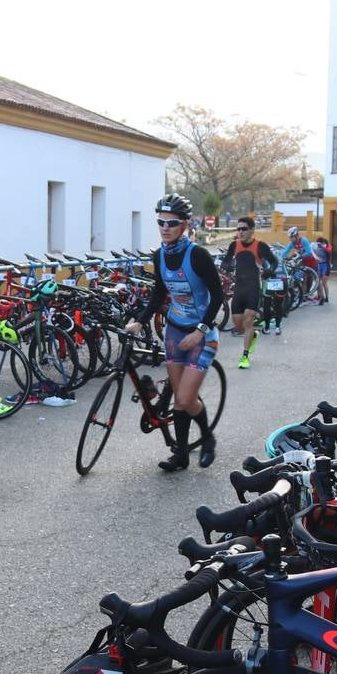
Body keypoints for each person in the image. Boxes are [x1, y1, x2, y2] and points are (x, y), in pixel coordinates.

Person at [125, 194, 225, 471]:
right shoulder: (159, 256)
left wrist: (202, 329)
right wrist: (141, 320)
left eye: (172, 222)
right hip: (174, 332)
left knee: (183, 398)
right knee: (182, 398)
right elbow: (159, 292)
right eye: (161, 221)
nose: (165, 227)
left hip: (201, 336)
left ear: (184, 225)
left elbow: (218, 296)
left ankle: (208, 439)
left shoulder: (199, 255)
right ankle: (181, 454)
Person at [220, 216, 278, 369]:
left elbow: (274, 261)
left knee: (248, 320)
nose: (240, 232)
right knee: (238, 325)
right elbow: (226, 260)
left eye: (244, 229)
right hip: (238, 288)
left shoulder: (260, 246)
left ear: (252, 230)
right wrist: (226, 266)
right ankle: (253, 335)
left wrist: (269, 270)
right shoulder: (234, 245)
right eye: (238, 229)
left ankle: (245, 356)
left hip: (253, 288)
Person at [281, 226, 322, 314]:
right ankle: (303, 298)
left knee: (317, 280)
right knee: (304, 280)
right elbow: (285, 250)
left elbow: (309, 252)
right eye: (290, 238)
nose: (291, 239)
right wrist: (280, 257)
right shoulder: (293, 243)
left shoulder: (304, 240)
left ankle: (321, 298)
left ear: (296, 235)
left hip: (312, 261)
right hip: (304, 262)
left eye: (291, 237)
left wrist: (299, 256)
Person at [313, 236, 332, 303]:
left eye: (320, 243)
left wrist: (323, 246)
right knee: (318, 282)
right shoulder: (316, 247)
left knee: (324, 283)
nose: (319, 245)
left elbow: (329, 250)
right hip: (319, 265)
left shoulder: (328, 246)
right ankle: (320, 296)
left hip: (326, 265)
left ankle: (327, 297)